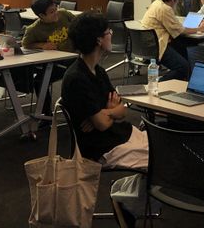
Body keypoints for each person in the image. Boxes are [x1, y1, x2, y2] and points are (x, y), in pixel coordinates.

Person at [61, 12, 148, 227]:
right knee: (162, 160)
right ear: (99, 40)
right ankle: (127, 203)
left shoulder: (97, 71)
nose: (111, 35)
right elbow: (102, 123)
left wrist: (106, 112)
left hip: (116, 135)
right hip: (100, 147)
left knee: (162, 148)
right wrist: (108, 113)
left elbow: (122, 110)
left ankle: (125, 197)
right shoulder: (77, 78)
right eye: (108, 32)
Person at [141, 0, 204, 81]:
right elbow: (181, 31)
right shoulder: (164, 9)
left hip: (149, 44)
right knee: (183, 67)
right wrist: (200, 29)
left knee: (183, 48)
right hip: (158, 46)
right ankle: (158, 83)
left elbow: (176, 28)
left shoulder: (156, 3)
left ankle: (186, 80)